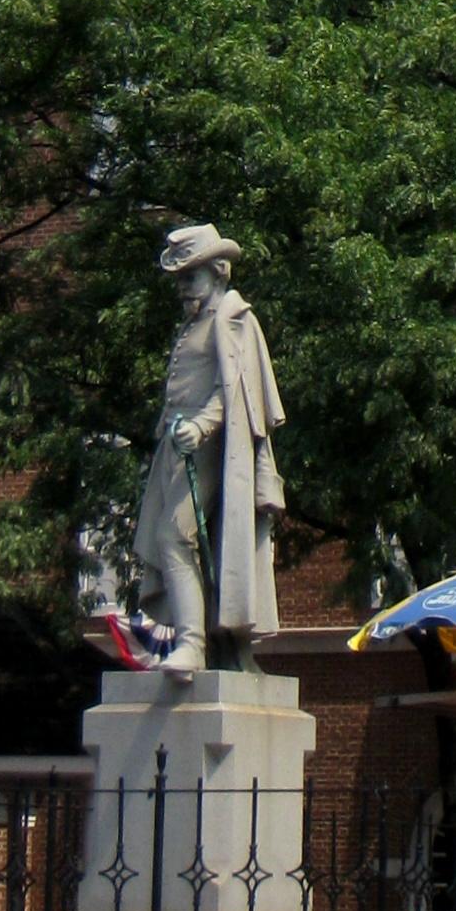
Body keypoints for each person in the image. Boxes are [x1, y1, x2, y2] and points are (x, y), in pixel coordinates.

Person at [131, 224, 286, 678]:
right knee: (172, 539)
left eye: (190, 277)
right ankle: (201, 642)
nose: (182, 288)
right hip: (175, 450)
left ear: (218, 272)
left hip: (215, 450)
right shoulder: (193, 324)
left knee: (175, 537)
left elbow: (235, 390)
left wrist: (200, 427)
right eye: (179, 279)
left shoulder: (233, 319)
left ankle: (193, 644)